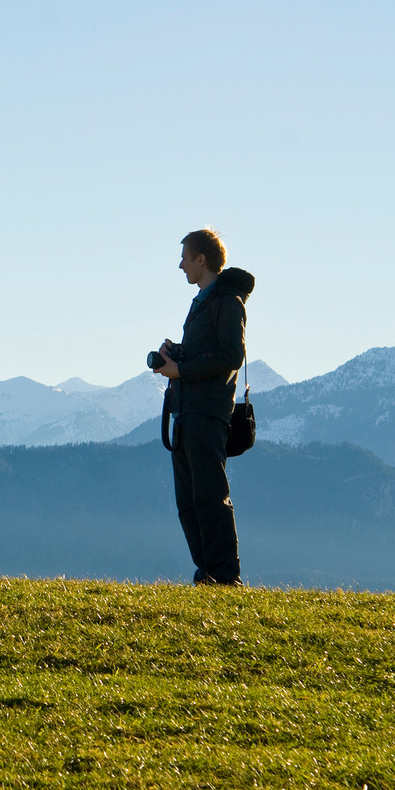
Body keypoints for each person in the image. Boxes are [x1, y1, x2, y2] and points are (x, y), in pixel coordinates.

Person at [152, 228, 254, 586]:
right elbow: (211, 352)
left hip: (207, 414)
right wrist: (178, 353)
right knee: (189, 502)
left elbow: (231, 355)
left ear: (202, 259)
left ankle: (226, 578)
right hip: (186, 413)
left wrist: (181, 368)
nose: (180, 265)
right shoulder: (204, 301)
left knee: (210, 497)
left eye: (185, 257)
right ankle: (207, 574)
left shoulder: (227, 302)